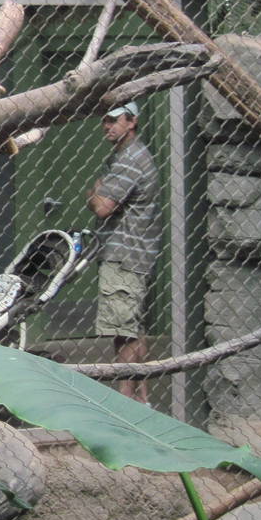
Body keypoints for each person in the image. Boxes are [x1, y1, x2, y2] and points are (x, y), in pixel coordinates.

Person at [85, 101, 160, 404]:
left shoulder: (130, 160)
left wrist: (94, 191)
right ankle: (142, 401)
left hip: (125, 255)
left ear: (132, 122)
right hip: (133, 253)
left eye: (115, 120)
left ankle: (125, 402)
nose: (108, 126)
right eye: (105, 120)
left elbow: (102, 206)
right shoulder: (124, 156)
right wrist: (99, 191)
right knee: (131, 329)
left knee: (123, 331)